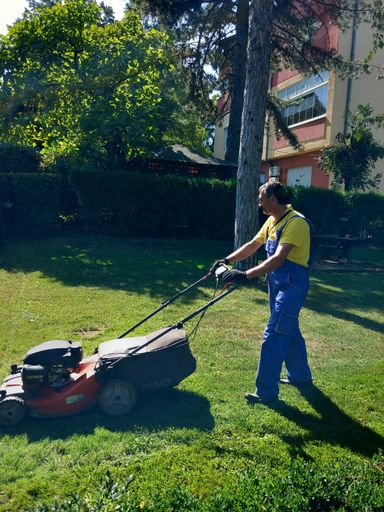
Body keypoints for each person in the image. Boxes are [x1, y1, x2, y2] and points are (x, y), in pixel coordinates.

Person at [212, 181, 312, 404]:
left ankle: (266, 392)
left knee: (274, 334)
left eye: (261, 198)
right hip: (276, 283)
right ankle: (300, 376)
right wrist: (227, 260)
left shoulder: (296, 222)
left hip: (292, 285)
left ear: (273, 199)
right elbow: (252, 244)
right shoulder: (272, 221)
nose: (259, 202)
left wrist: (244, 275)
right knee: (289, 329)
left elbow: (277, 259)